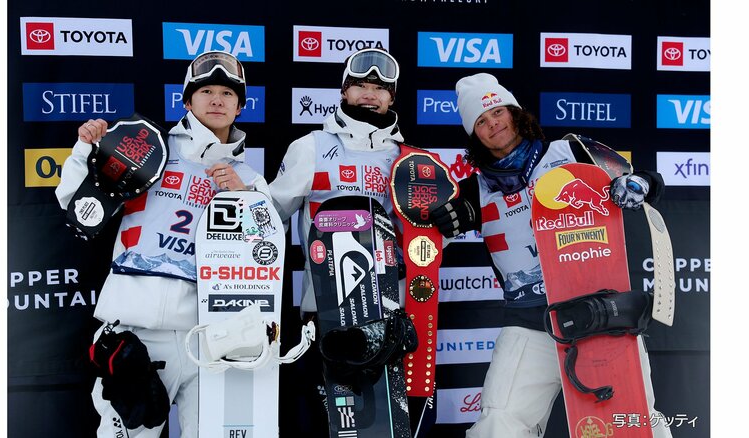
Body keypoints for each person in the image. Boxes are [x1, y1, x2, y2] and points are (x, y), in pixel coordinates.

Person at [429, 73, 673, 438]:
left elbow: (646, 180)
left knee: (633, 422)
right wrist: (446, 221)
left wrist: (637, 184)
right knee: (498, 425)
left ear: (514, 113)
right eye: (480, 120)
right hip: (531, 322)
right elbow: (432, 238)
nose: (493, 123)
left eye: (497, 111)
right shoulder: (471, 190)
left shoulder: (571, 151)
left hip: (602, 312)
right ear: (474, 134)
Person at [55, 50, 269, 438]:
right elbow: (77, 204)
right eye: (206, 91)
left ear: (240, 106)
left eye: (227, 93)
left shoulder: (250, 179)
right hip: (138, 333)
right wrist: (86, 150)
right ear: (187, 101)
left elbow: (265, 257)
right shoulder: (147, 150)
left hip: (212, 341)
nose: (217, 100)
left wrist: (248, 201)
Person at [268, 47, 406, 436]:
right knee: (327, 427)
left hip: (387, 317)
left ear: (392, 97)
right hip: (325, 315)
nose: (369, 93)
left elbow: (422, 240)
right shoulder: (310, 147)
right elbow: (268, 214)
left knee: (382, 429)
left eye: (379, 87)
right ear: (343, 92)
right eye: (360, 85)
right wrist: (241, 194)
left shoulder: (406, 157)